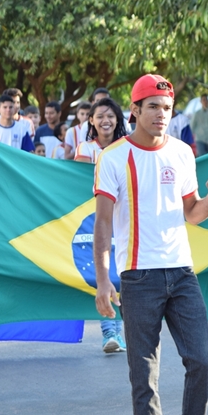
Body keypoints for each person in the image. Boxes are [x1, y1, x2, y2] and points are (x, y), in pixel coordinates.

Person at [93, 74, 208, 415]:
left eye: (167, 108)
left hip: (182, 271)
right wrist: (103, 281)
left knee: (202, 360)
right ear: (134, 110)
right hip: (138, 276)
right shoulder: (114, 157)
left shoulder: (183, 152)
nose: (161, 115)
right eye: (152, 107)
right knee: (144, 373)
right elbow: (102, 225)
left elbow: (192, 212)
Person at [75, 98, 130, 353]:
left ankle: (122, 329)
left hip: (125, 217)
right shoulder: (85, 149)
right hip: (95, 219)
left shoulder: (127, 147)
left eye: (111, 115)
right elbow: (78, 183)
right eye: (100, 116)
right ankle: (110, 332)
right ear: (91, 121)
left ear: (118, 119)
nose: (105, 120)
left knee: (123, 274)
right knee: (105, 274)